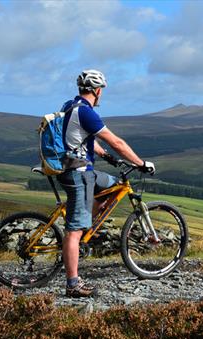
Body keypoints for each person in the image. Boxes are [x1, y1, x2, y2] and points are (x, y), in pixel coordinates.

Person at [56, 69, 155, 298]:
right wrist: (140, 163)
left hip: (82, 169)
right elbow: (117, 142)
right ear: (97, 90)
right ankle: (72, 284)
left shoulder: (70, 106)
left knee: (113, 183)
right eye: (102, 91)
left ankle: (87, 225)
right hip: (78, 173)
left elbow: (80, 139)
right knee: (74, 231)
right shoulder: (87, 113)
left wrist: (104, 156)